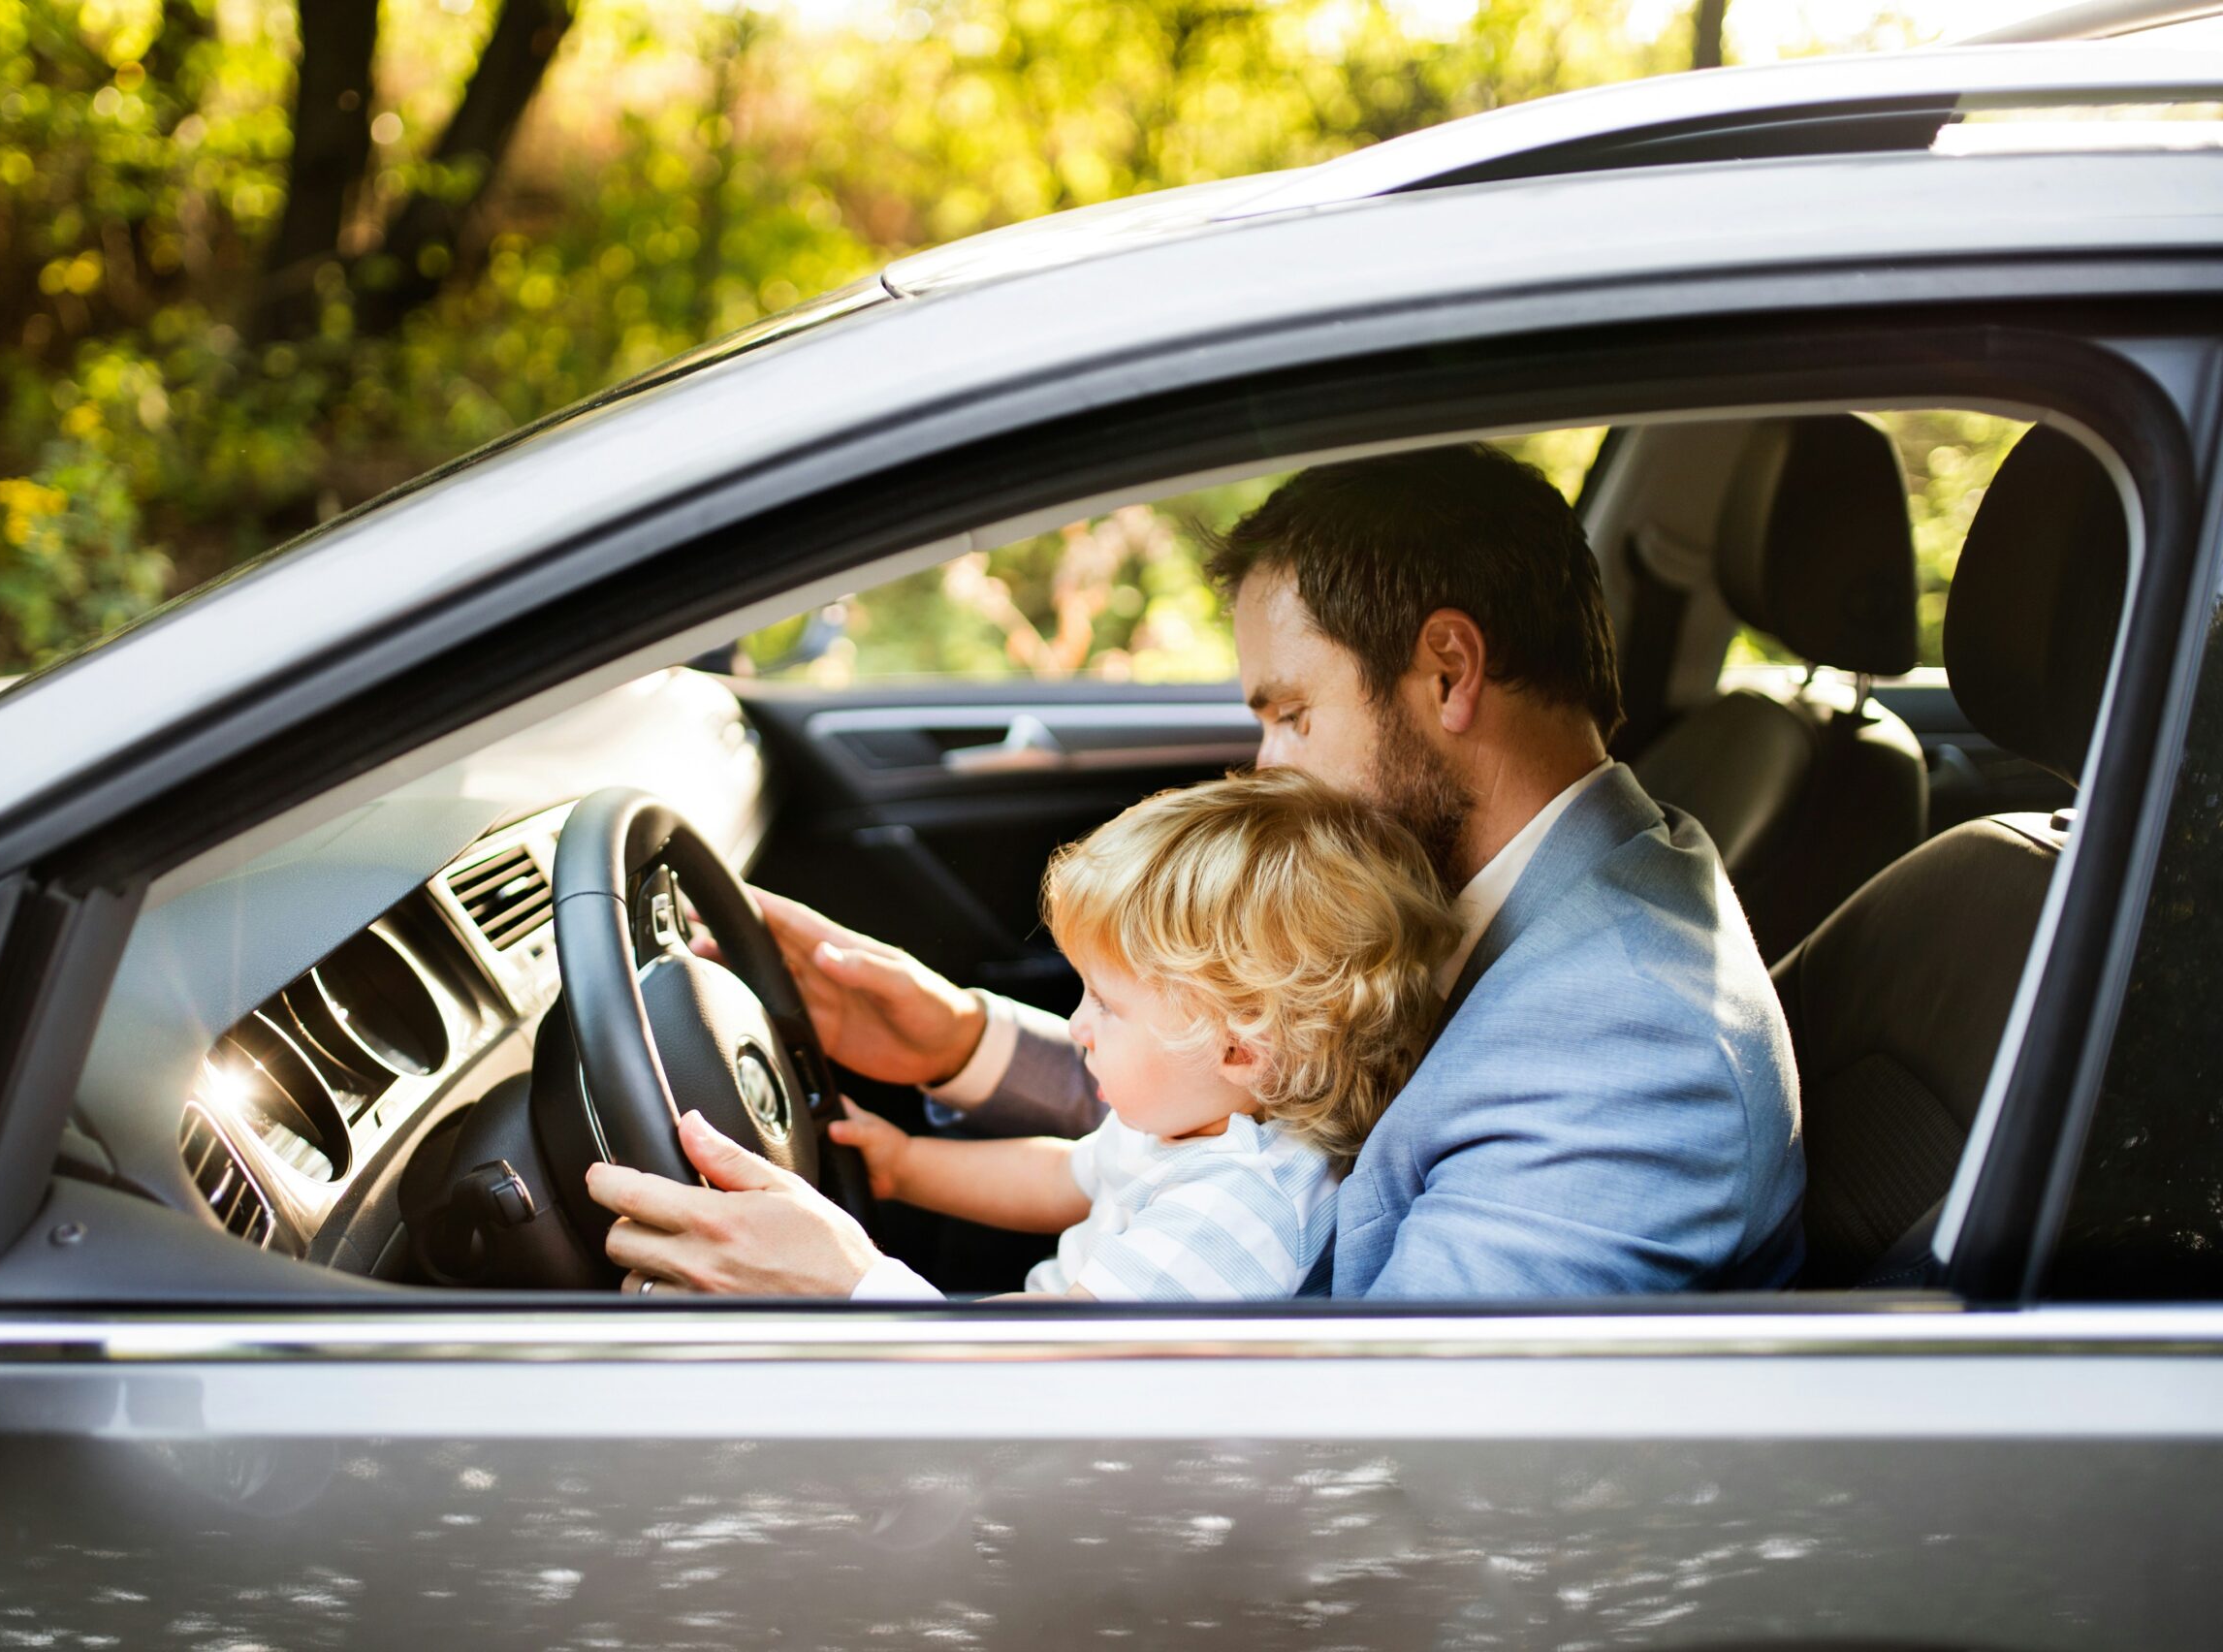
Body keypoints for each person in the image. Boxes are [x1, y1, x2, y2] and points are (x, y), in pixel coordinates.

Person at [588, 443, 1806, 1300]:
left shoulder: (1630, 1052)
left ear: (1446, 674)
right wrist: (962, 1044)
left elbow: (1392, 1478)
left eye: (1289, 713)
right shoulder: (1516, 903)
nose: (1266, 765)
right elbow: (1265, 1104)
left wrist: (858, 1303)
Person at [824, 767, 1455, 1300]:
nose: (1077, 1026)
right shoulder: (1197, 1114)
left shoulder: (1234, 1211)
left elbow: (1047, 1363)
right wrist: (904, 1167)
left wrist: (859, 1285)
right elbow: (1062, 1178)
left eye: (1106, 1003)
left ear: (1239, 1048)